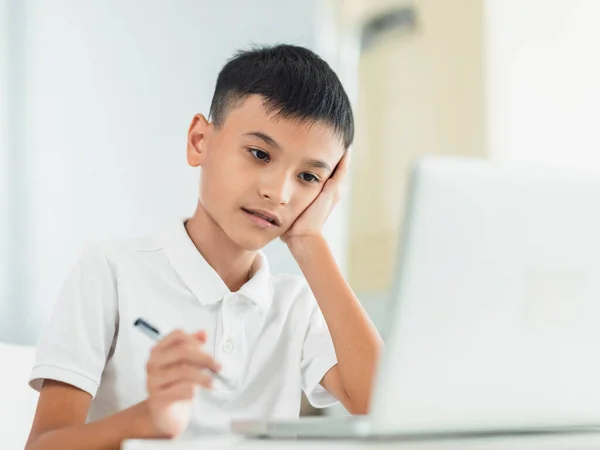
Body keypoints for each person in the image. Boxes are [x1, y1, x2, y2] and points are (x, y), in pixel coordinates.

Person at [25, 44, 382, 449]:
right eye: (260, 154)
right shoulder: (112, 270)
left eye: (308, 177)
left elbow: (385, 408)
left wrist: (309, 242)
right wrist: (146, 419)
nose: (278, 192)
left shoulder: (296, 305)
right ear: (199, 141)